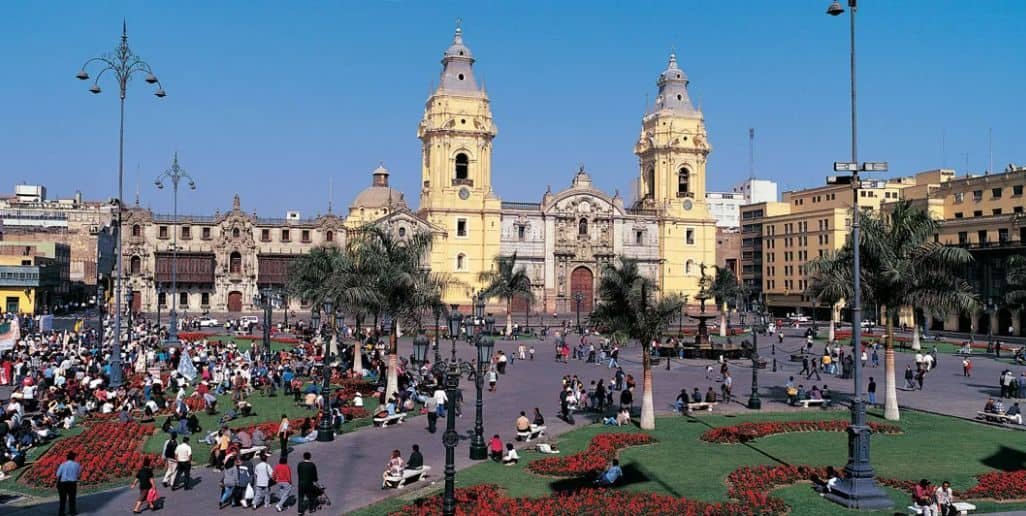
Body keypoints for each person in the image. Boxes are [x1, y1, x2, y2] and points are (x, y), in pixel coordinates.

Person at [56, 451, 81, 516]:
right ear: (74, 458)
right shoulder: (77, 464)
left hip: (63, 483)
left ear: (67, 458)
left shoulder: (63, 464)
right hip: (72, 483)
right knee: (72, 498)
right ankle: (72, 511)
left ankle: (61, 512)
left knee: (62, 499)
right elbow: (78, 474)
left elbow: (58, 474)